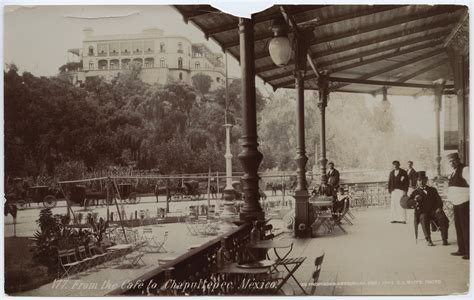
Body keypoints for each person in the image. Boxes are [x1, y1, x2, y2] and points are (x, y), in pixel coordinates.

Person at [409, 171, 449, 246]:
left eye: (423, 179)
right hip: (423, 212)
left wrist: (439, 208)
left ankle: (444, 238)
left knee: (442, 216)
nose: (421, 182)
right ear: (417, 181)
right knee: (424, 218)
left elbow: (439, 201)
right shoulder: (415, 192)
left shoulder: (433, 190)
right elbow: (408, 203)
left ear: (426, 180)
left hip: (434, 211)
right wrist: (415, 200)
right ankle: (428, 239)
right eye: (419, 180)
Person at [446, 152, 469, 260]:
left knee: (466, 227)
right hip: (456, 203)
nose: (452, 163)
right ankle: (462, 249)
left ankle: (469, 251)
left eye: (454, 160)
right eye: (450, 161)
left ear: (458, 160)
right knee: (458, 227)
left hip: (464, 202)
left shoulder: (465, 169)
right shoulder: (453, 172)